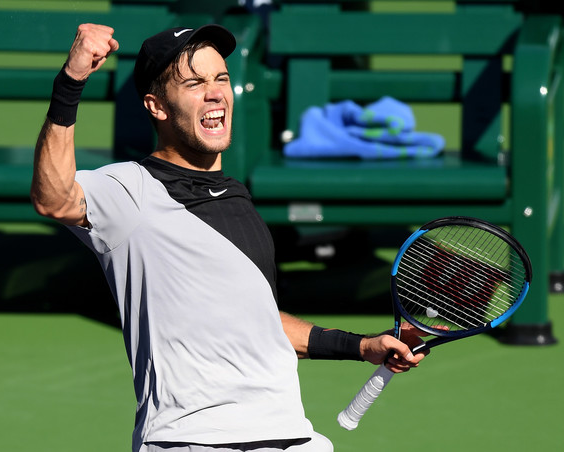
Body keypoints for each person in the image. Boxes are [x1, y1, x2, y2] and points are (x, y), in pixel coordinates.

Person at [30, 23, 429, 452]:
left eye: (221, 78)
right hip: (192, 440)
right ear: (157, 106)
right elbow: (54, 198)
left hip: (290, 434)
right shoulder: (129, 190)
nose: (216, 92)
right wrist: (70, 83)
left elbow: (257, 321)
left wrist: (361, 346)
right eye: (195, 83)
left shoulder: (237, 199)